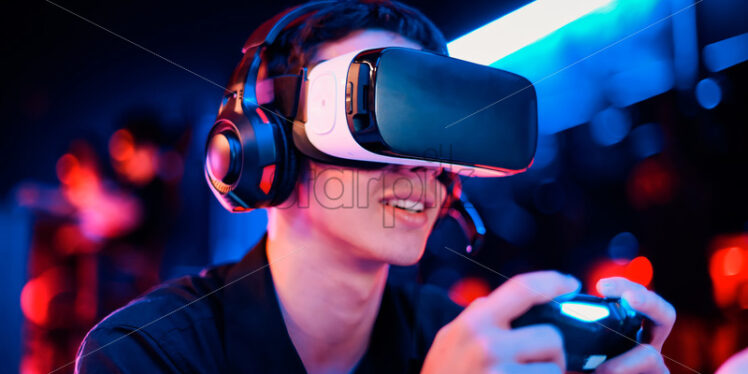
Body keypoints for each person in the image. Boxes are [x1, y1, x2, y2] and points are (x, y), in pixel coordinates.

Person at [75, 1, 676, 373]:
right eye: (378, 119)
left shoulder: (466, 337)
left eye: (437, 133)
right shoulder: (147, 354)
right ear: (265, 146)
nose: (418, 165)